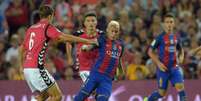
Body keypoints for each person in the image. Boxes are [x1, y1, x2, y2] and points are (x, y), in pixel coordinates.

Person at [19, 5, 97, 101]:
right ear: (50, 16)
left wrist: (20, 66)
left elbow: (22, 48)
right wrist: (88, 41)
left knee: (43, 96)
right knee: (57, 96)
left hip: (27, 68)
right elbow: (65, 37)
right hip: (37, 69)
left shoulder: (31, 28)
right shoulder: (47, 27)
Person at [74, 20, 124, 101]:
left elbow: (118, 59)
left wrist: (121, 72)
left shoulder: (121, 45)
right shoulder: (102, 39)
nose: (114, 33)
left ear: (119, 32)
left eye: (116, 31)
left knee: (103, 99)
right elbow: (93, 44)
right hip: (95, 74)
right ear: (107, 30)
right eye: (112, 31)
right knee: (81, 97)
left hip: (107, 79)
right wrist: (86, 47)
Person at [144, 13, 186, 101]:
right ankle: (147, 100)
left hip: (174, 68)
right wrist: (158, 64)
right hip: (163, 69)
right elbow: (150, 51)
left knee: (180, 87)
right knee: (161, 93)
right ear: (163, 24)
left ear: (174, 24)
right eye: (167, 22)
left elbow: (181, 49)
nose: (169, 24)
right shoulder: (159, 38)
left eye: (171, 22)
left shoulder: (176, 37)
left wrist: (181, 56)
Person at [66, 12, 103, 89]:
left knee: (92, 90)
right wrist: (69, 57)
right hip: (84, 67)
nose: (91, 23)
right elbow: (68, 42)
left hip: (98, 66)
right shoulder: (78, 34)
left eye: (93, 21)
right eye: (88, 21)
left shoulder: (102, 35)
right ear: (84, 23)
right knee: (92, 88)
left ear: (96, 22)